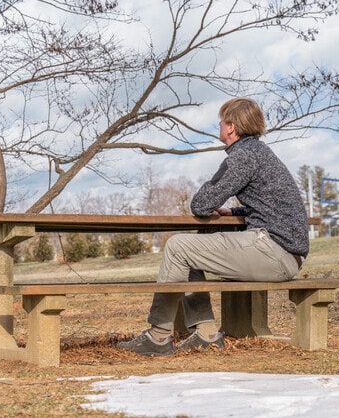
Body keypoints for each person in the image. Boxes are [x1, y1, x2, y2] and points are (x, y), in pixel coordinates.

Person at [119, 97, 310, 356]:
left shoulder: (243, 156)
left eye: (220, 121)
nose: (218, 126)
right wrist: (234, 211)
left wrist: (214, 196)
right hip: (283, 251)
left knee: (178, 246)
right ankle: (207, 333)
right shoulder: (258, 152)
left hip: (275, 252)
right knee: (195, 244)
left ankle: (158, 337)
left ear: (230, 127)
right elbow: (271, 207)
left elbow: (200, 204)